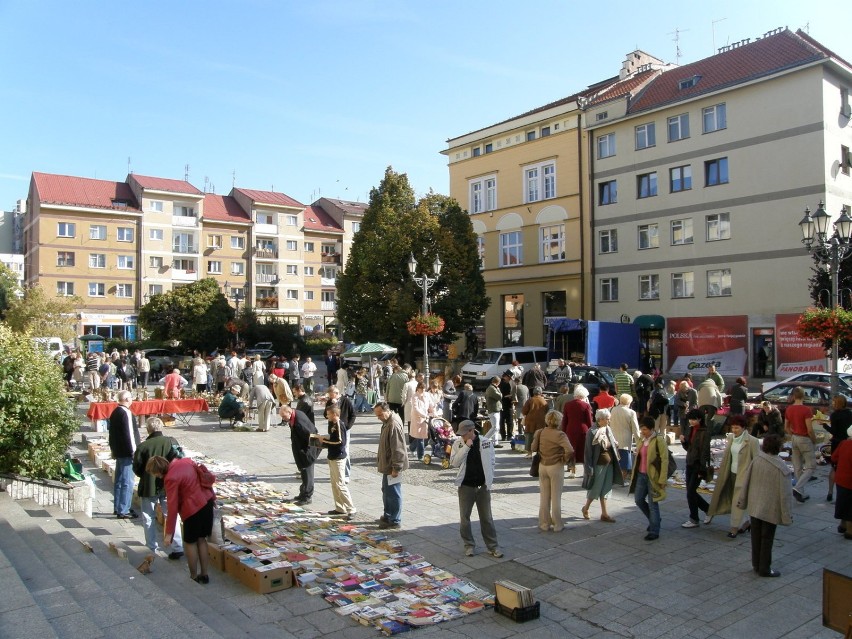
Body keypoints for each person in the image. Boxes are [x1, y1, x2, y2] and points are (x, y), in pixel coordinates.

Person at [145, 455, 216, 584]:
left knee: (190, 542)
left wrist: (169, 534)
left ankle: (193, 576)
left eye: (154, 474)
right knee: (202, 539)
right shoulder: (185, 462)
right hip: (207, 502)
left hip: (192, 509)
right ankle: (205, 574)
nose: (155, 477)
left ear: (157, 471)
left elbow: (172, 507)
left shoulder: (170, 478)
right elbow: (203, 478)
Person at [736, 434, 793, 577]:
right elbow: (785, 495)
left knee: (755, 536)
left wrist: (742, 501)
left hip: (755, 505)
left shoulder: (757, 460)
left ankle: (756, 564)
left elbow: (746, 482)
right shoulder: (782, 468)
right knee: (767, 538)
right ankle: (765, 568)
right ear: (779, 448)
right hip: (770, 508)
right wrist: (787, 514)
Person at [450, 420, 503, 558]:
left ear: (471, 431)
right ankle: (469, 545)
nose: (461, 436)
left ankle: (493, 546)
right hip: (466, 486)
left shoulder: (485, 442)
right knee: (465, 518)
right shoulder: (458, 443)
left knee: (487, 518)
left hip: (482, 486)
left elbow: (492, 461)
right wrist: (466, 447)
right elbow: (454, 463)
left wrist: (489, 480)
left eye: (463, 433)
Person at [132, 417, 184, 559]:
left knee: (148, 517)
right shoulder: (171, 441)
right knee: (171, 515)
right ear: (161, 427)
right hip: (169, 486)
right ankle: (177, 546)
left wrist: (147, 474)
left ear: (148, 429)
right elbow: (179, 459)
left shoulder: (143, 446)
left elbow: (136, 468)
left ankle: (151, 547)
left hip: (149, 486)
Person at [707, 415, 760, 538]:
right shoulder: (731, 438)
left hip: (744, 476)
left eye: (737, 428)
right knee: (731, 499)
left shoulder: (752, 441)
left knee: (738, 501)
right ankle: (746, 523)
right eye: (733, 428)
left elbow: (756, 461)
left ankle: (734, 528)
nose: (734, 430)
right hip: (730, 473)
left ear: (744, 428)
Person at [531, 410, 573, 532]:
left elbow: (533, 448)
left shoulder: (540, 432)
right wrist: (564, 459)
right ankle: (557, 524)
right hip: (556, 465)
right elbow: (570, 450)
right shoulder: (560, 435)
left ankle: (544, 523)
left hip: (542, 465)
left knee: (544, 496)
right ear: (559, 421)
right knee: (556, 496)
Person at [629, 416, 668, 541]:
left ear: (652, 429)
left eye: (645, 429)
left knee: (653, 504)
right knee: (638, 499)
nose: (642, 432)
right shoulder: (641, 439)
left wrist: (662, 480)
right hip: (641, 474)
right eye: (642, 429)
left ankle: (654, 530)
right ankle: (654, 519)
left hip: (653, 477)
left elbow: (664, 460)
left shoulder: (659, 440)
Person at [581, 409, 620, 522]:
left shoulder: (607, 428)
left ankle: (604, 514)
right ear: (601, 419)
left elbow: (612, 442)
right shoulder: (592, 431)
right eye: (607, 419)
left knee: (606, 489)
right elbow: (588, 452)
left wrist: (615, 444)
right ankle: (586, 508)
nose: (609, 421)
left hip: (609, 463)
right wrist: (588, 468)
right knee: (595, 488)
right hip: (598, 464)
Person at [374, 401, 409, 529]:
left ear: (387, 411)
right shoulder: (387, 421)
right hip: (387, 464)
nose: (379, 418)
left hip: (392, 466)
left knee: (393, 493)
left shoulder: (393, 424)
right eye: (377, 415)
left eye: (380, 415)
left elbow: (398, 448)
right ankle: (388, 515)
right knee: (386, 491)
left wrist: (396, 467)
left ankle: (394, 520)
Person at [320, 404, 356, 518]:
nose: (327, 415)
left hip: (338, 458)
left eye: (329, 414)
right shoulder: (333, 424)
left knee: (340, 484)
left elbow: (340, 442)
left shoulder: (339, 425)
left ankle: (351, 508)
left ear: (335, 414)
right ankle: (340, 507)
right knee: (334, 484)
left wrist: (324, 442)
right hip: (332, 456)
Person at [279, 404, 319, 505]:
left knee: (307, 473)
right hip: (301, 448)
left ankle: (307, 497)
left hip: (307, 450)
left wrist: (307, 452)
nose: (283, 419)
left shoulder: (299, 420)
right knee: (303, 472)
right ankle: (303, 493)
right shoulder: (294, 416)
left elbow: (311, 434)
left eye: (284, 416)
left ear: (289, 412)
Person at [109, 390, 140, 519]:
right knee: (127, 481)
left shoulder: (115, 412)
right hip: (127, 452)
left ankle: (118, 507)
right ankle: (124, 509)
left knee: (119, 480)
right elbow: (130, 434)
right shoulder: (126, 413)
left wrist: (113, 450)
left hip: (119, 451)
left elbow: (111, 434)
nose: (132, 400)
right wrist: (135, 451)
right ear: (127, 399)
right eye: (131, 398)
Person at [681, 409, 712, 528]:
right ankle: (708, 510)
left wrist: (701, 470)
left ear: (700, 419)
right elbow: (689, 448)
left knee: (690, 492)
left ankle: (694, 519)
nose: (691, 421)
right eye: (690, 419)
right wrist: (684, 441)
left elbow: (704, 452)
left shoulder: (704, 432)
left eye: (694, 419)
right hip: (689, 462)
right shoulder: (690, 429)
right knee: (690, 491)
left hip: (698, 465)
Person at [784, 386, 816, 503]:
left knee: (797, 467)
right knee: (811, 466)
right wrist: (814, 440)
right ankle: (798, 488)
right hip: (804, 438)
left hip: (794, 437)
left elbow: (786, 427)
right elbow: (810, 430)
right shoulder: (806, 410)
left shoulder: (789, 409)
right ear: (803, 396)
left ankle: (800, 493)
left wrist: (792, 434)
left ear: (793, 396)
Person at [324, 385, 356, 482]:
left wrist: (347, 427)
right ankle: (335, 472)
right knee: (333, 448)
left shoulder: (345, 401)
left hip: (344, 429)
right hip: (332, 429)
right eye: (329, 396)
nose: (330, 398)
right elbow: (325, 415)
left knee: (345, 449)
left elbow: (353, 414)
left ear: (337, 394)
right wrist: (331, 405)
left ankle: (346, 474)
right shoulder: (330, 402)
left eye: (331, 396)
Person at [561, 385, 594, 477]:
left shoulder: (567, 405)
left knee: (572, 450)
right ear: (583, 396)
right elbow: (589, 420)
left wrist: (564, 431)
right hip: (583, 430)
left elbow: (565, 420)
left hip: (570, 429)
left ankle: (572, 471)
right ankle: (585, 471)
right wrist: (592, 430)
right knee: (584, 450)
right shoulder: (586, 405)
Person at [610, 393, 640, 486]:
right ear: (629, 402)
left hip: (614, 438)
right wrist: (639, 443)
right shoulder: (631, 412)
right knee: (625, 463)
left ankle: (614, 479)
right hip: (625, 440)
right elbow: (635, 429)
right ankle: (622, 480)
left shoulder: (613, 410)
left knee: (615, 461)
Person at [830, 425, 852, 539]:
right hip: (850, 480)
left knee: (843, 501)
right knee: (850, 506)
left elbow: (834, 457)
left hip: (840, 478)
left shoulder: (843, 443)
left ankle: (842, 524)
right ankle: (849, 530)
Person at [522, 386, 550, 456]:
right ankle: (539, 453)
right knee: (540, 437)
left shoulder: (530, 400)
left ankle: (529, 453)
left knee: (529, 437)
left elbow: (524, 411)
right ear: (541, 393)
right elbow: (547, 412)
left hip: (530, 421)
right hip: (541, 421)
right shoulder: (544, 401)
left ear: (533, 392)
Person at [409, 382, 432, 461]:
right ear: (418, 388)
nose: (423, 390)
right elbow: (415, 408)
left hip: (425, 418)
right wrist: (423, 415)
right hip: (417, 418)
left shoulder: (427, 395)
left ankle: (412, 447)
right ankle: (420, 456)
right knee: (420, 437)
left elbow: (431, 405)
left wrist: (434, 412)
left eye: (424, 388)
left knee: (422, 436)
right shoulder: (414, 396)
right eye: (421, 388)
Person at [484, 376, 503, 443]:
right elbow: (499, 396)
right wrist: (499, 390)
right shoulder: (492, 388)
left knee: (496, 427)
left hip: (495, 409)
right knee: (495, 427)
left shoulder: (491, 388)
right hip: (493, 409)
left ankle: (495, 442)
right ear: (498, 382)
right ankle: (484, 439)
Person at [499, 371, 516, 442]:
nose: (510, 379)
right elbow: (507, 395)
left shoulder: (499, 383)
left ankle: (503, 435)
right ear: (506, 377)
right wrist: (510, 396)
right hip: (507, 404)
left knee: (502, 421)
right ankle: (509, 435)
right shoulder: (506, 384)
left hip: (501, 405)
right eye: (509, 378)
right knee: (509, 421)